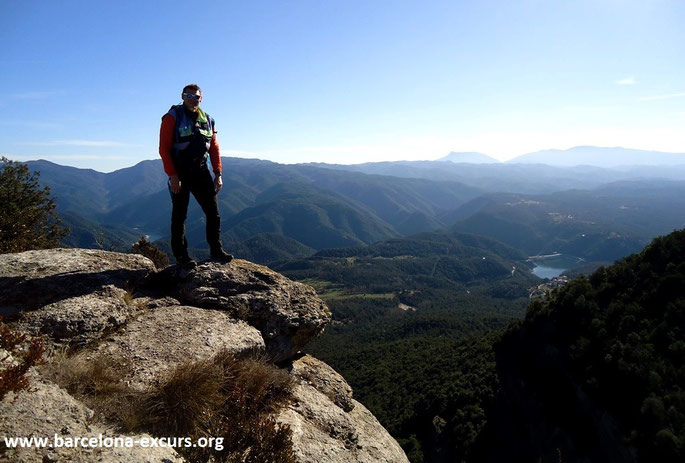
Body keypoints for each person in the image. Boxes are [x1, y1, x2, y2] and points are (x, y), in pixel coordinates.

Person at [159, 83, 233, 268]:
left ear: (201, 98)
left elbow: (214, 147)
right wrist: (173, 175)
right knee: (179, 215)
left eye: (196, 96)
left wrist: (218, 173)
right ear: (182, 96)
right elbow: (163, 148)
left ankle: (216, 250)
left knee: (213, 213)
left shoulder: (208, 119)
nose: (193, 99)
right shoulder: (172, 118)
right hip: (180, 172)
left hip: (201, 171)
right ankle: (182, 258)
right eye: (189, 96)